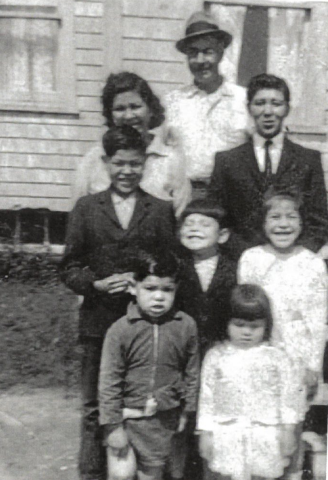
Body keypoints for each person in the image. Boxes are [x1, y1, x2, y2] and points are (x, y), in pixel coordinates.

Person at [61, 126, 176, 480]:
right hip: (98, 321)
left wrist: (146, 287)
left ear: (145, 165)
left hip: (144, 326)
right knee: (96, 404)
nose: (127, 171)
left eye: (135, 164)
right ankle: (92, 473)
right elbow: (68, 266)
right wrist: (94, 282)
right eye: (119, 163)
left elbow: (171, 264)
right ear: (106, 162)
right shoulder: (86, 208)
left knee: (139, 402)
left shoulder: (158, 209)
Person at [238, 190, 328, 480]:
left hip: (297, 359)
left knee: (291, 431)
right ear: (262, 223)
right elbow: (245, 311)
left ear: (302, 223)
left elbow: (318, 318)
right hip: (259, 357)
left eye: (291, 216)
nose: (283, 224)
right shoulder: (251, 258)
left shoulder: (313, 264)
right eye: (275, 217)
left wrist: (313, 365)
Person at [98, 251, 199, 480]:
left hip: (161, 420)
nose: (159, 297)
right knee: (121, 475)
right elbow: (108, 381)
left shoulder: (185, 326)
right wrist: (113, 426)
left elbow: (192, 371)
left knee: (151, 474)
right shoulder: (121, 330)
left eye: (167, 290)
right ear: (133, 287)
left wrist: (187, 410)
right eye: (150, 289)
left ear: (176, 289)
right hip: (126, 418)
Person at [209, 73, 328, 257]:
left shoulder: (308, 159)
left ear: (287, 108)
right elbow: (218, 219)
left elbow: (319, 221)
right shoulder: (227, 161)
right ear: (249, 108)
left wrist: (295, 256)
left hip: (293, 261)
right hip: (240, 259)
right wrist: (248, 255)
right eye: (260, 103)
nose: (268, 111)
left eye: (276, 103)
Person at [198, 284, 298, 480]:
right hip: (227, 432)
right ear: (227, 322)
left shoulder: (276, 358)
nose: (246, 332)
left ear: (266, 325)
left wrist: (288, 430)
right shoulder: (216, 356)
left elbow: (288, 397)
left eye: (254, 326)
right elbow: (207, 397)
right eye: (239, 324)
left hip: (265, 433)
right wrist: (205, 432)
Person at [73, 71, 191, 217]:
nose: (128, 116)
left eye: (135, 107)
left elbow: (182, 217)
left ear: (151, 110)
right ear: (110, 115)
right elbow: (79, 214)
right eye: (119, 109)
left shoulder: (171, 160)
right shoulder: (95, 158)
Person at [164, 11, 249, 198]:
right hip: (183, 196)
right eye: (193, 53)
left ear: (220, 52)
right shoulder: (172, 102)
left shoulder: (243, 99)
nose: (201, 61)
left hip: (232, 197)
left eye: (208, 51)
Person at [177, 199, 236, 359]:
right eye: (188, 224)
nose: (195, 229)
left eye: (205, 225)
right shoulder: (175, 268)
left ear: (222, 236)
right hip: (182, 347)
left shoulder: (235, 269)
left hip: (223, 347)